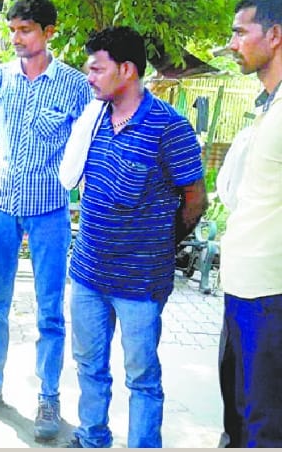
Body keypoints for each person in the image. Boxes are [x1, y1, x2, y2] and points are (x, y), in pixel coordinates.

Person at [0, 0, 93, 442]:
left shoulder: (73, 86)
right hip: (2, 205)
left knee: (50, 309)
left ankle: (48, 397)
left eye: (25, 30)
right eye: (12, 30)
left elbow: (83, 143)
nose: (16, 38)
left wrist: (54, 178)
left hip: (49, 210)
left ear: (49, 33)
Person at [64, 27, 208, 448]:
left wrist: (161, 245)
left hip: (140, 283)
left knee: (142, 377)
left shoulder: (169, 127)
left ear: (126, 70)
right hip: (88, 273)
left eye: (97, 69)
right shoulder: (93, 120)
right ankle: (92, 436)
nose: (89, 78)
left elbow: (195, 200)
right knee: (89, 365)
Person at [218, 0, 282, 448]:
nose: (232, 44)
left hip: (270, 297)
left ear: (275, 35)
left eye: (241, 32)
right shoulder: (267, 106)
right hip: (240, 290)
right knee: (238, 420)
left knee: (264, 425)